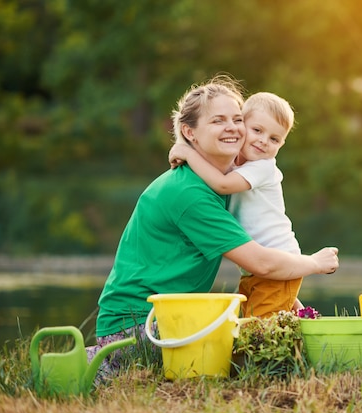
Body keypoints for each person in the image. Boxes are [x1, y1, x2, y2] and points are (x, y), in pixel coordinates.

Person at [87, 75, 339, 378]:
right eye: (218, 121)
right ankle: (101, 366)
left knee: (259, 335)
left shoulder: (224, 182)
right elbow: (261, 263)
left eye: (237, 119)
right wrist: (312, 262)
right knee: (250, 351)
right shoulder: (190, 193)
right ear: (189, 132)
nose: (232, 127)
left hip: (171, 317)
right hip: (139, 327)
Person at [168, 92, 304, 318]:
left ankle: (276, 354)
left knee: (261, 329)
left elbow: (221, 184)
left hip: (276, 261)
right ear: (242, 126)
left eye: (274, 139)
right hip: (255, 269)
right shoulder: (239, 166)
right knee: (255, 323)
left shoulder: (263, 167)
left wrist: (189, 154)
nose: (263, 141)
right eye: (257, 130)